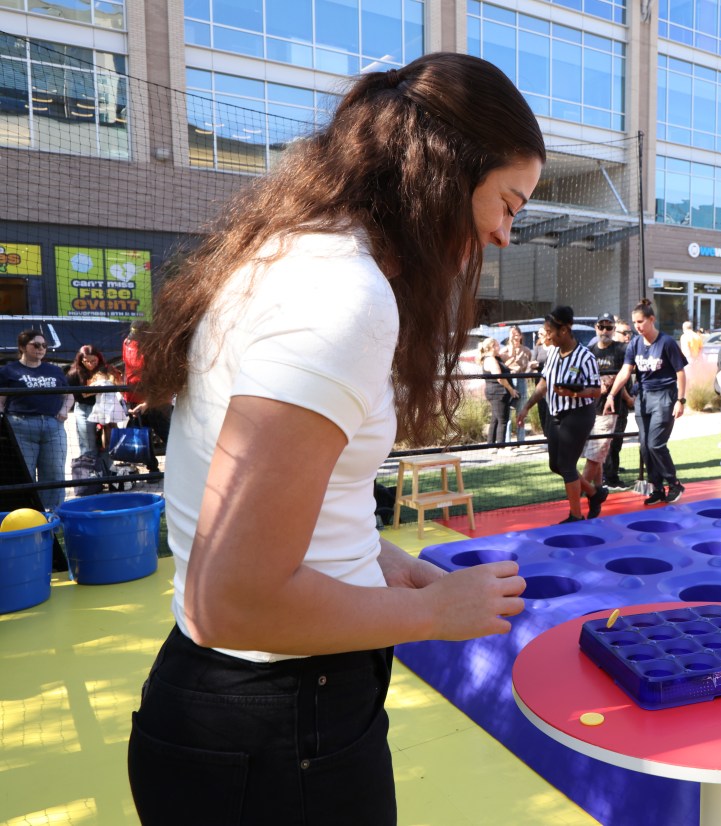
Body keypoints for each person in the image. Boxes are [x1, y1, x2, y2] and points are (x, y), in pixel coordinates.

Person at [126, 53, 538, 824]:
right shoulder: (342, 297)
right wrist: (436, 614)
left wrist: (393, 567)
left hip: (252, 723)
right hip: (277, 733)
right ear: (446, 175)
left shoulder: (297, 255)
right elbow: (230, 602)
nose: (504, 236)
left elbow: (299, 519)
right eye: (508, 204)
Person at [516, 306, 605, 523]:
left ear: (564, 330)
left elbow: (596, 391)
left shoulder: (585, 357)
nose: (547, 337)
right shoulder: (553, 353)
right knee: (555, 465)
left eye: (550, 332)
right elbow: (544, 383)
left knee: (566, 465)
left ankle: (576, 515)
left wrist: (573, 393)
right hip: (556, 414)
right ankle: (594, 493)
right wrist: (526, 406)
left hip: (578, 415)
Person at [604, 299, 687, 505]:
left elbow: (680, 373)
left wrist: (680, 400)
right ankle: (657, 488)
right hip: (643, 397)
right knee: (644, 447)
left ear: (652, 319)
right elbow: (625, 371)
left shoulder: (666, 342)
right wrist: (611, 395)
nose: (637, 326)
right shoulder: (635, 344)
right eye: (634, 323)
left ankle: (674, 484)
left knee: (655, 444)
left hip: (664, 396)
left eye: (640, 322)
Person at [0, 329, 72, 510]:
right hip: (20, 426)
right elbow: (1, 401)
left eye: (44, 345)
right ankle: (27, 515)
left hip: (53, 426)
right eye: (36, 345)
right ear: (22, 347)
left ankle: (53, 514)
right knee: (24, 474)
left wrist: (64, 410)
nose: (41, 349)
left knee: (55, 473)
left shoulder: (55, 370)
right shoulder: (8, 371)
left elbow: (69, 395)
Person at [583, 314, 623, 512]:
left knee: (594, 456)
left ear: (614, 329)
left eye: (609, 327)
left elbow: (626, 373)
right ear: (596, 327)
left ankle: (577, 493)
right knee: (596, 455)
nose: (605, 331)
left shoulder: (621, 349)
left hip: (608, 409)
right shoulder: (589, 351)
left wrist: (612, 386)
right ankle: (597, 492)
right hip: (588, 408)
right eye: (602, 327)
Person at [122, 320, 174, 474]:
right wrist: (125, 395)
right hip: (134, 397)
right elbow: (127, 369)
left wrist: (148, 402)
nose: (134, 340)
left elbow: (162, 379)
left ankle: (179, 467)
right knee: (142, 434)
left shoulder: (157, 350)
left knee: (167, 434)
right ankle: (153, 469)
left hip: (156, 401)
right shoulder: (128, 342)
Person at [66, 344, 114, 464]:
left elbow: (117, 387)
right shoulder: (74, 374)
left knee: (107, 443)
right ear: (80, 360)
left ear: (99, 358)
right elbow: (74, 395)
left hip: (105, 408)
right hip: (84, 409)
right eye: (86, 361)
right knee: (88, 445)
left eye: (94, 361)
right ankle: (89, 472)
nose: (90, 364)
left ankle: (106, 471)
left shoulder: (107, 370)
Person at [604, 319, 635, 488]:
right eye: (624, 333)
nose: (627, 336)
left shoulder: (625, 351)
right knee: (611, 443)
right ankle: (609, 478)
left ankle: (610, 473)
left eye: (629, 333)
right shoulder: (614, 352)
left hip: (621, 406)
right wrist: (628, 398)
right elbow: (617, 380)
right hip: (613, 404)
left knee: (615, 443)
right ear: (615, 333)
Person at [479, 337, 518, 447]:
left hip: (496, 392)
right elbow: (500, 378)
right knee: (503, 420)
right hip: (498, 393)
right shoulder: (491, 360)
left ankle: (491, 445)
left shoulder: (496, 358)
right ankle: (501, 447)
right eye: (497, 345)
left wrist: (512, 342)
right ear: (492, 347)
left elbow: (511, 356)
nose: (499, 347)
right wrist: (511, 390)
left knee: (495, 419)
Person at [500, 327, 532, 445]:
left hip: (521, 381)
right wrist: (512, 351)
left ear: (521, 336)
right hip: (509, 381)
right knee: (507, 412)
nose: (515, 337)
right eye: (512, 334)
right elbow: (503, 366)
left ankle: (521, 441)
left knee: (521, 412)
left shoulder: (526, 350)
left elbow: (528, 366)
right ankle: (508, 442)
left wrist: (529, 369)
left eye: (517, 334)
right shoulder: (504, 351)